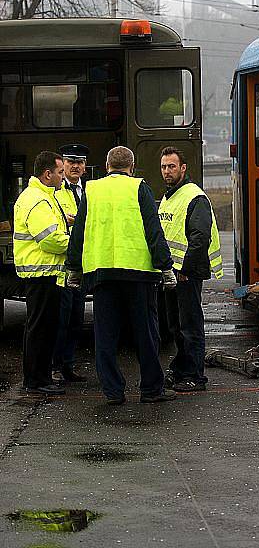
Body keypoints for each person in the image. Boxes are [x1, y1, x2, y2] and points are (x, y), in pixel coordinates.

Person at [66, 146, 177, 405]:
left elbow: (79, 232)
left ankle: (113, 391)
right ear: (132, 166)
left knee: (105, 335)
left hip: (102, 274)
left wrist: (73, 268)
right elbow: (153, 230)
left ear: (107, 166)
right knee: (146, 333)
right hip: (138, 274)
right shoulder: (140, 188)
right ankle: (151, 389)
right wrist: (166, 267)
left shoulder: (91, 190)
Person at [158, 146, 223, 392]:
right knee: (176, 326)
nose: (167, 171)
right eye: (164, 166)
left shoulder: (194, 197)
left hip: (186, 273)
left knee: (190, 326)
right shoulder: (169, 197)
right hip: (172, 271)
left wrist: (185, 268)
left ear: (183, 168)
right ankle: (182, 368)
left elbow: (199, 237)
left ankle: (195, 376)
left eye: (172, 166)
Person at [13, 151, 69, 396]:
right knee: (41, 329)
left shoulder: (41, 195)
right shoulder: (37, 199)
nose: (62, 176)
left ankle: (40, 376)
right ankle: (36, 380)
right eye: (60, 172)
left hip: (44, 274)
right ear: (48, 174)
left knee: (42, 327)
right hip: (42, 274)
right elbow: (50, 240)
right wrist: (75, 244)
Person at [52, 143, 89, 383]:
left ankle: (68, 365)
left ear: (85, 167)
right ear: (63, 165)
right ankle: (55, 366)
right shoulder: (56, 191)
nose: (75, 166)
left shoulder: (89, 190)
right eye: (70, 162)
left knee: (77, 318)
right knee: (60, 319)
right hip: (64, 264)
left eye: (79, 162)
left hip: (82, 263)